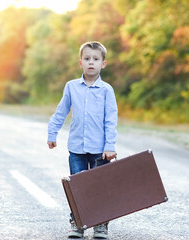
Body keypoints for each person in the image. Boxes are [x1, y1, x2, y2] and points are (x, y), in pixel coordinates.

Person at [47, 41, 118, 239]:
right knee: (77, 188)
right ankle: (78, 224)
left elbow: (110, 120)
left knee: (99, 187)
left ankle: (101, 224)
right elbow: (61, 112)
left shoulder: (106, 90)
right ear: (80, 62)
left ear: (103, 63)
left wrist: (110, 145)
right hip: (77, 148)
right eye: (87, 59)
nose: (91, 63)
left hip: (100, 149)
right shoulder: (71, 87)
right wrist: (52, 133)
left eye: (96, 59)